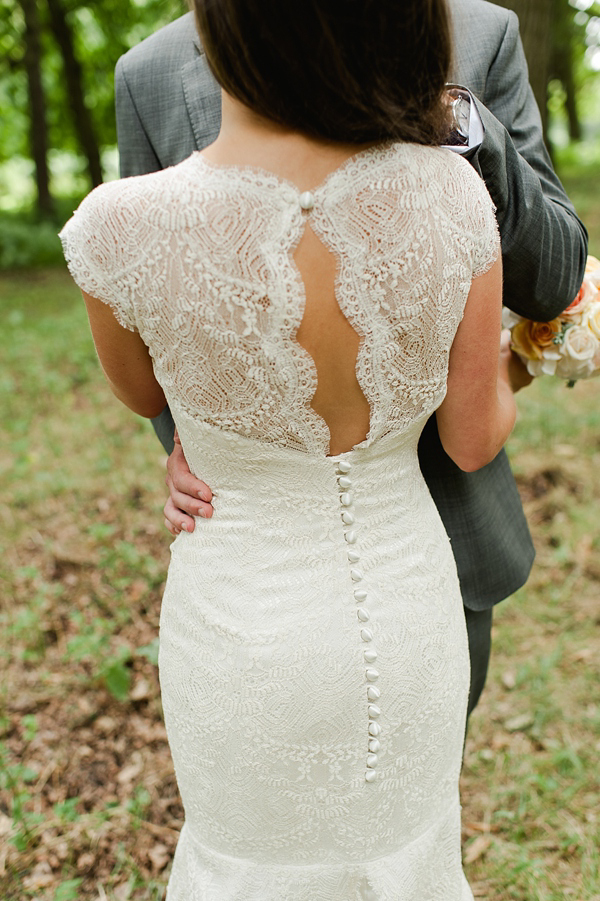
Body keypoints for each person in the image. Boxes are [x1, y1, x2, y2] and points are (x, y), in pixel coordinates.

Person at [61, 1, 549, 897]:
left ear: (220, 34)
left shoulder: (117, 226)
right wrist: (515, 367)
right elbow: (472, 438)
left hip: (239, 620)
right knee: (411, 855)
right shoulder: (453, 194)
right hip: (410, 613)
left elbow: (145, 394)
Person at [114, 0, 588, 718]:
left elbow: (554, 278)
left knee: (425, 791)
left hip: (439, 533)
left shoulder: (480, 35)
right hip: (252, 575)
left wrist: (461, 124)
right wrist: (188, 446)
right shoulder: (148, 77)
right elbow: (153, 319)